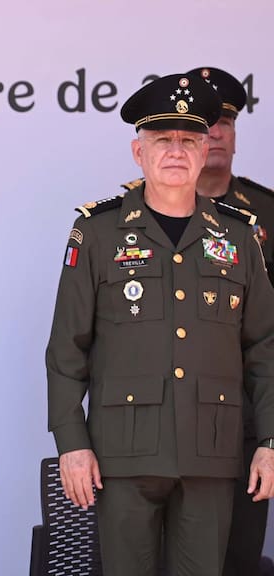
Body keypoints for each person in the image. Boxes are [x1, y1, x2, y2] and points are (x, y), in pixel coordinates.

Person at [46, 73, 274, 576]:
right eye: (162, 140)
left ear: (203, 149)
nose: (176, 151)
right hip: (123, 456)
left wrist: (270, 442)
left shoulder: (238, 235)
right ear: (138, 152)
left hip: (210, 453)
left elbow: (265, 347)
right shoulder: (99, 231)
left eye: (189, 140)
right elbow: (66, 349)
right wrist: (73, 443)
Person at [188, 66, 274, 576]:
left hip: (245, 419)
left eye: (225, 122)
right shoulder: (133, 215)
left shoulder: (265, 214)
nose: (216, 132)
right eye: (204, 122)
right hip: (168, 423)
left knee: (237, 559)